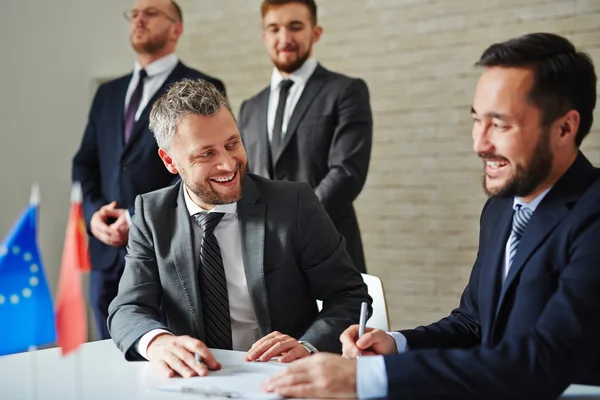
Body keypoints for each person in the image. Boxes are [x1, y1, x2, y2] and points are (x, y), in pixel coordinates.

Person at [263, 32, 600, 399]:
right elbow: (473, 324)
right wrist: (396, 344)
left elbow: (541, 362)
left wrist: (368, 378)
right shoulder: (502, 207)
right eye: (477, 120)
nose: (479, 144)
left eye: (500, 125)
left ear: (565, 128)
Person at [107, 78, 371, 378]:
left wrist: (308, 346)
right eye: (207, 153)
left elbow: (350, 296)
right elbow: (127, 308)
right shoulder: (151, 214)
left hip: (283, 377)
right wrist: (158, 343)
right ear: (170, 161)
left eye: (232, 144)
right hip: (196, 381)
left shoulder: (294, 203)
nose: (228, 164)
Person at [72, 0, 226, 339]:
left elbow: (201, 167)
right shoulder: (107, 93)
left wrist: (134, 216)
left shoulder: (202, 87)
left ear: (177, 28)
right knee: (108, 354)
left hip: (166, 246)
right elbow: (84, 162)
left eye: (152, 13)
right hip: (105, 251)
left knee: (162, 353)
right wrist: (96, 213)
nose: (139, 19)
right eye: (135, 14)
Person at [238, 0, 372, 273]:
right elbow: (244, 177)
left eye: (295, 27)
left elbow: (347, 173)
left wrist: (291, 227)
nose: (284, 38)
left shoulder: (346, 91)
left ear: (316, 32)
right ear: (264, 37)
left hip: (330, 251)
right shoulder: (249, 108)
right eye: (274, 29)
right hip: (264, 260)